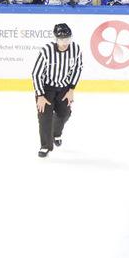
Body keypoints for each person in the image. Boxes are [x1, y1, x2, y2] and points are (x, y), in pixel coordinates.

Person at [32, 23, 83, 158]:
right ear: (56, 39)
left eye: (67, 39)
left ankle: (56, 132)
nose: (65, 43)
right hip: (46, 89)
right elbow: (36, 74)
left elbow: (78, 68)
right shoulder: (46, 51)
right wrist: (40, 95)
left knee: (64, 113)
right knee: (44, 116)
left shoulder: (75, 49)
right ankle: (45, 146)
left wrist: (71, 89)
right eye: (61, 40)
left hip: (64, 88)